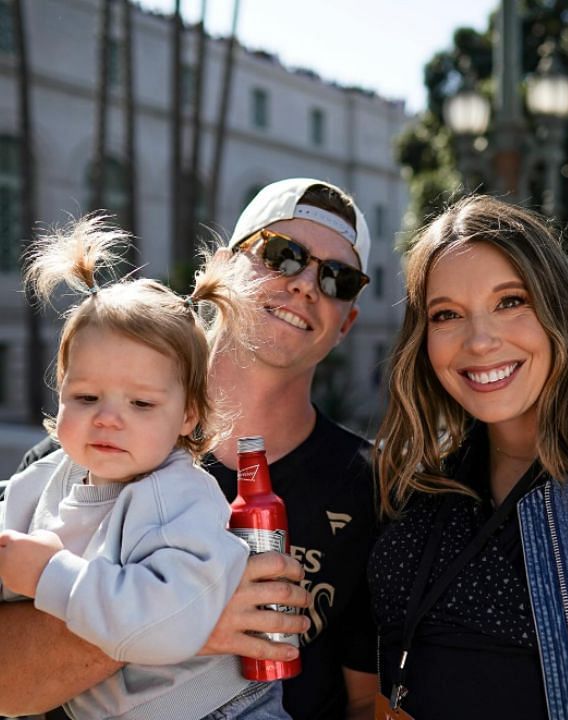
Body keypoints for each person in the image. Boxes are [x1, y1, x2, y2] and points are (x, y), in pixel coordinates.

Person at [0, 178, 380, 720]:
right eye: (283, 254)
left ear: (348, 322)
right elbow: (5, 685)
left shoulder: (371, 486)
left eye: (339, 278)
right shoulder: (81, 461)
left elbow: (366, 701)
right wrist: (192, 619)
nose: (306, 285)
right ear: (225, 265)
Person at [0, 216, 286, 719]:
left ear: (188, 415)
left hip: (216, 710)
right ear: (60, 389)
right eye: (86, 396)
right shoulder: (45, 479)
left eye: (142, 404)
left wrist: (48, 573)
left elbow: (165, 624)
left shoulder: (185, 499)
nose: (108, 418)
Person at [369, 195, 568, 720]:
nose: (480, 340)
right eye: (446, 315)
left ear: (558, 306)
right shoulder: (419, 484)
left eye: (510, 301)